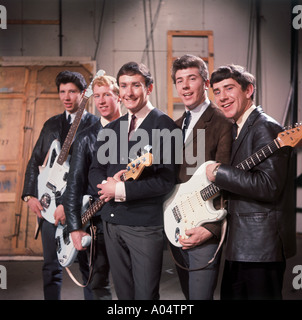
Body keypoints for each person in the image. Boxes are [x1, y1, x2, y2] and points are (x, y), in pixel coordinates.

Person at [88, 61, 179, 300]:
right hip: (111, 223)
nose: (128, 92)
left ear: (148, 88)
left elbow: (165, 181)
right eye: (124, 86)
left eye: (136, 85)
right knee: (124, 296)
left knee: (145, 296)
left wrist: (120, 190)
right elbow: (95, 168)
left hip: (144, 227)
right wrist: (105, 184)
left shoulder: (165, 125)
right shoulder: (114, 127)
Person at [206, 64, 296, 300]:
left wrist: (220, 173)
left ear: (248, 90)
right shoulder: (239, 128)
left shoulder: (264, 127)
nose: (222, 97)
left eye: (229, 88)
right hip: (243, 246)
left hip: (260, 247)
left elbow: (269, 186)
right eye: (216, 91)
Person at [22, 70, 98, 300]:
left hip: (81, 207)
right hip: (48, 208)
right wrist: (29, 195)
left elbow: (94, 173)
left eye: (72, 92)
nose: (67, 97)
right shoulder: (51, 124)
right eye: (62, 91)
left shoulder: (95, 125)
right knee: (50, 267)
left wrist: (70, 204)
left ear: (83, 94)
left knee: (89, 268)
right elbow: (35, 161)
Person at [168, 54, 233, 300]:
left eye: (191, 78)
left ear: (205, 83)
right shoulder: (172, 126)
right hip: (176, 224)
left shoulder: (222, 122)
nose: (184, 86)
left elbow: (228, 182)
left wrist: (212, 228)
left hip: (204, 227)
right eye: (179, 80)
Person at [63, 74, 122, 299]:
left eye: (107, 94)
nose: (101, 101)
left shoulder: (135, 132)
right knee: (98, 284)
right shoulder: (85, 138)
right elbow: (73, 186)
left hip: (128, 220)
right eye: (97, 96)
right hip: (96, 224)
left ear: (119, 97)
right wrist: (75, 227)